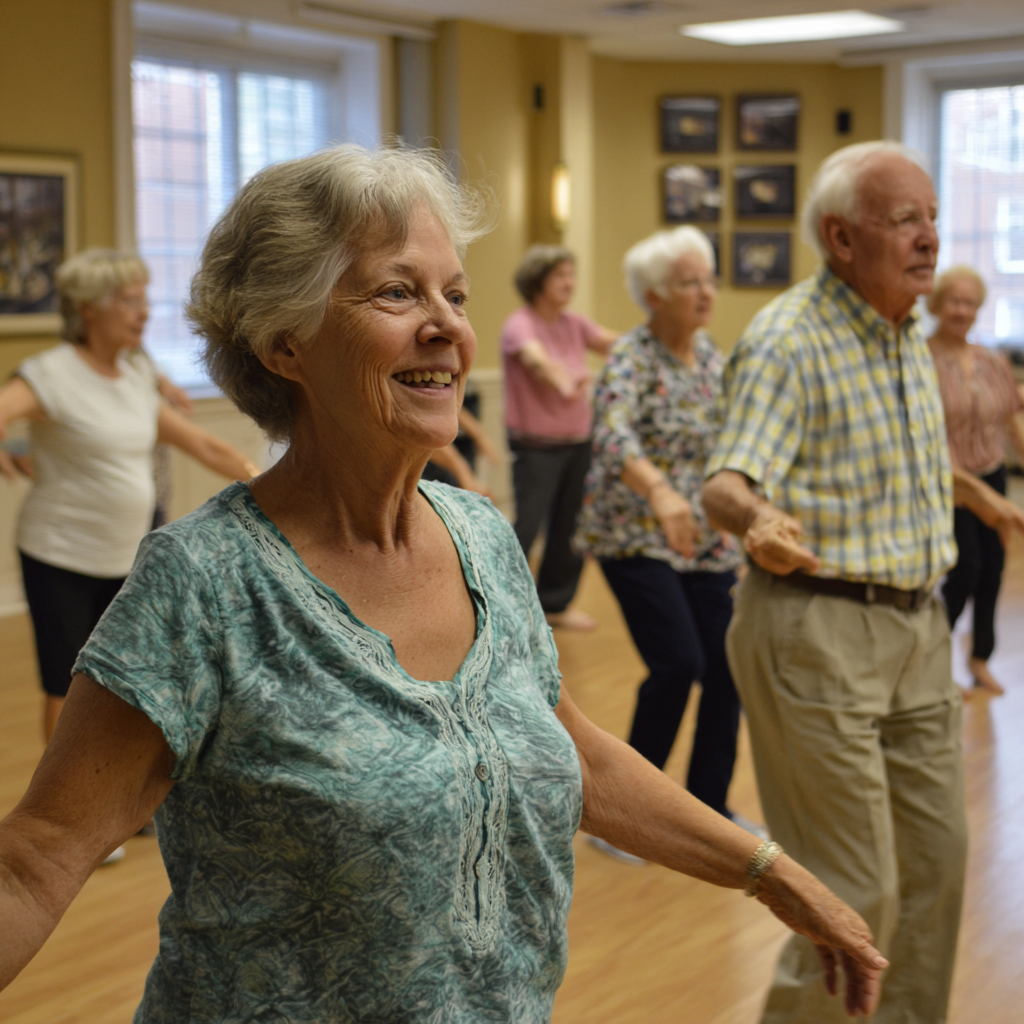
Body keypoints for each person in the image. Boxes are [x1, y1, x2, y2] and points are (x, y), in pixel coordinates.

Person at [0, 144, 888, 1023]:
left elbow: (568, 748)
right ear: (284, 343)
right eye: (397, 291)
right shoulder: (204, 583)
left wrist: (772, 874)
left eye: (455, 295)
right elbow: (35, 861)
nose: (448, 326)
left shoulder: (480, 537)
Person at [702, 140, 1024, 1024]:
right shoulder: (789, 339)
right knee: (854, 889)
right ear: (841, 238)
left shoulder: (905, 336)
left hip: (917, 630)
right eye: (904, 220)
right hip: (818, 632)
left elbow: (895, 467)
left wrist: (987, 506)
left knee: (936, 868)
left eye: (930, 217)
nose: (928, 238)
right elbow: (726, 481)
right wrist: (757, 521)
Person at [0, 249, 259, 748]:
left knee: (119, 683)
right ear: (88, 308)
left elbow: (201, 443)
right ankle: (64, 813)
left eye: (144, 300)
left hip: (124, 555)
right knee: (67, 686)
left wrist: (261, 483)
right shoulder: (50, 373)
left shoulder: (137, 374)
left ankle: (109, 792)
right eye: (128, 300)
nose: (143, 312)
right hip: (60, 555)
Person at [575, 226, 757, 857]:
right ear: (654, 296)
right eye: (689, 281)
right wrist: (659, 490)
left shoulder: (713, 361)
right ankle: (629, 817)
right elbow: (614, 437)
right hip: (633, 535)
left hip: (705, 543)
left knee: (728, 667)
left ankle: (710, 808)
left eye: (707, 278)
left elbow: (739, 446)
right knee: (679, 662)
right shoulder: (631, 358)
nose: (705, 291)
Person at [501, 245, 618, 631]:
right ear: (538, 282)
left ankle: (554, 604)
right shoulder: (521, 324)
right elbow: (537, 361)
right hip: (535, 444)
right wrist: (564, 383)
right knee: (528, 525)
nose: (570, 283)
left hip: (578, 441)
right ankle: (505, 607)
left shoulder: (573, 323)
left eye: (572, 275)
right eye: (560, 276)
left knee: (571, 526)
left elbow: (610, 343)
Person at [927, 265, 1024, 696]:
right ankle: (932, 662)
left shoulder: (990, 361)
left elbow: (1010, 420)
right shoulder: (921, 357)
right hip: (949, 482)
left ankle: (979, 659)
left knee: (994, 571)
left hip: (991, 473)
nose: (962, 310)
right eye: (954, 301)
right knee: (965, 570)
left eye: (969, 303)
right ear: (937, 304)